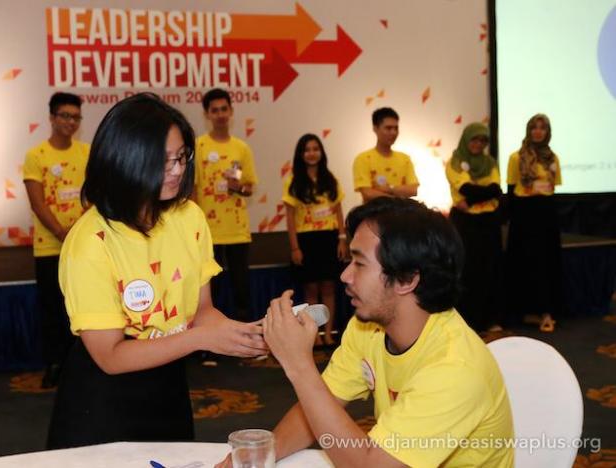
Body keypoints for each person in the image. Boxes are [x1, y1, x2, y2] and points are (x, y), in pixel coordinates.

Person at [218, 197, 514, 468]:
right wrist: (260, 457)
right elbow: (321, 403)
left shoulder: (454, 368)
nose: (345, 275)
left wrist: (299, 365)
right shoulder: (368, 327)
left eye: (359, 263)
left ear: (406, 280)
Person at [46, 93, 267, 449]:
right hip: (103, 401)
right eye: (163, 161)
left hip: (169, 383)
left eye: (181, 157)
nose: (178, 170)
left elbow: (202, 311)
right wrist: (200, 339)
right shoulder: (90, 241)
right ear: (125, 160)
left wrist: (245, 335)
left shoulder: (189, 217)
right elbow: (110, 356)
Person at [22, 92, 89, 388]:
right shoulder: (36, 156)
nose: (70, 122)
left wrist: (79, 232)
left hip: (84, 246)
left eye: (75, 117)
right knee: (52, 308)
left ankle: (81, 365)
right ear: (51, 118)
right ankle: (54, 364)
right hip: (50, 246)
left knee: (82, 306)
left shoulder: (86, 153)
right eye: (65, 116)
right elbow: (38, 204)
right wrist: (64, 233)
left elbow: (94, 195)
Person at [193, 88, 259, 366]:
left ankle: (246, 347)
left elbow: (249, 188)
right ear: (207, 114)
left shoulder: (241, 148)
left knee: (241, 290)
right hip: (208, 234)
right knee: (212, 295)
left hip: (237, 232)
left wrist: (238, 187)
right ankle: (210, 348)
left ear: (231, 112)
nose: (220, 114)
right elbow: (192, 189)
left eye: (224, 109)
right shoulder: (198, 146)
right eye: (215, 110)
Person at [282, 134, 347, 347]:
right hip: (306, 240)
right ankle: (315, 334)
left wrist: (342, 239)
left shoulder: (330, 179)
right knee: (310, 289)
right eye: (307, 150)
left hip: (329, 238)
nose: (312, 153)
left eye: (315, 149)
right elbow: (290, 218)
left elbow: (338, 211)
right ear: (301, 154)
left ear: (321, 152)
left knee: (329, 287)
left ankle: (328, 334)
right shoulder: (293, 182)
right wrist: (295, 248)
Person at [506, 113, 562, 332]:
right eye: (534, 128)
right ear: (528, 131)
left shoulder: (552, 158)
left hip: (546, 214)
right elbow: (511, 190)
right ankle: (525, 311)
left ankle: (546, 310)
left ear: (548, 132)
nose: (538, 132)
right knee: (525, 260)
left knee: (546, 261)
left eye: (542, 128)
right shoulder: (516, 157)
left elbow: (553, 187)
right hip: (524, 214)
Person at [445, 123, 504, 333]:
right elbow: (466, 188)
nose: (478, 144)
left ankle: (490, 320)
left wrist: (470, 200)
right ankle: (467, 322)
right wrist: (481, 193)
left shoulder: (490, 162)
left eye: (483, 140)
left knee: (491, 271)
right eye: (475, 139)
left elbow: (496, 190)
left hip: (488, 223)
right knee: (467, 271)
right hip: (465, 224)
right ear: (466, 139)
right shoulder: (455, 162)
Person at [353, 107, 419, 202]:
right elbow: (367, 193)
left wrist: (389, 189)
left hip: (401, 211)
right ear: (375, 129)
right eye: (388, 128)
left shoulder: (404, 158)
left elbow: (413, 190)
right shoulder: (363, 159)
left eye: (396, 128)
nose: (393, 132)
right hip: (374, 211)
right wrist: (397, 196)